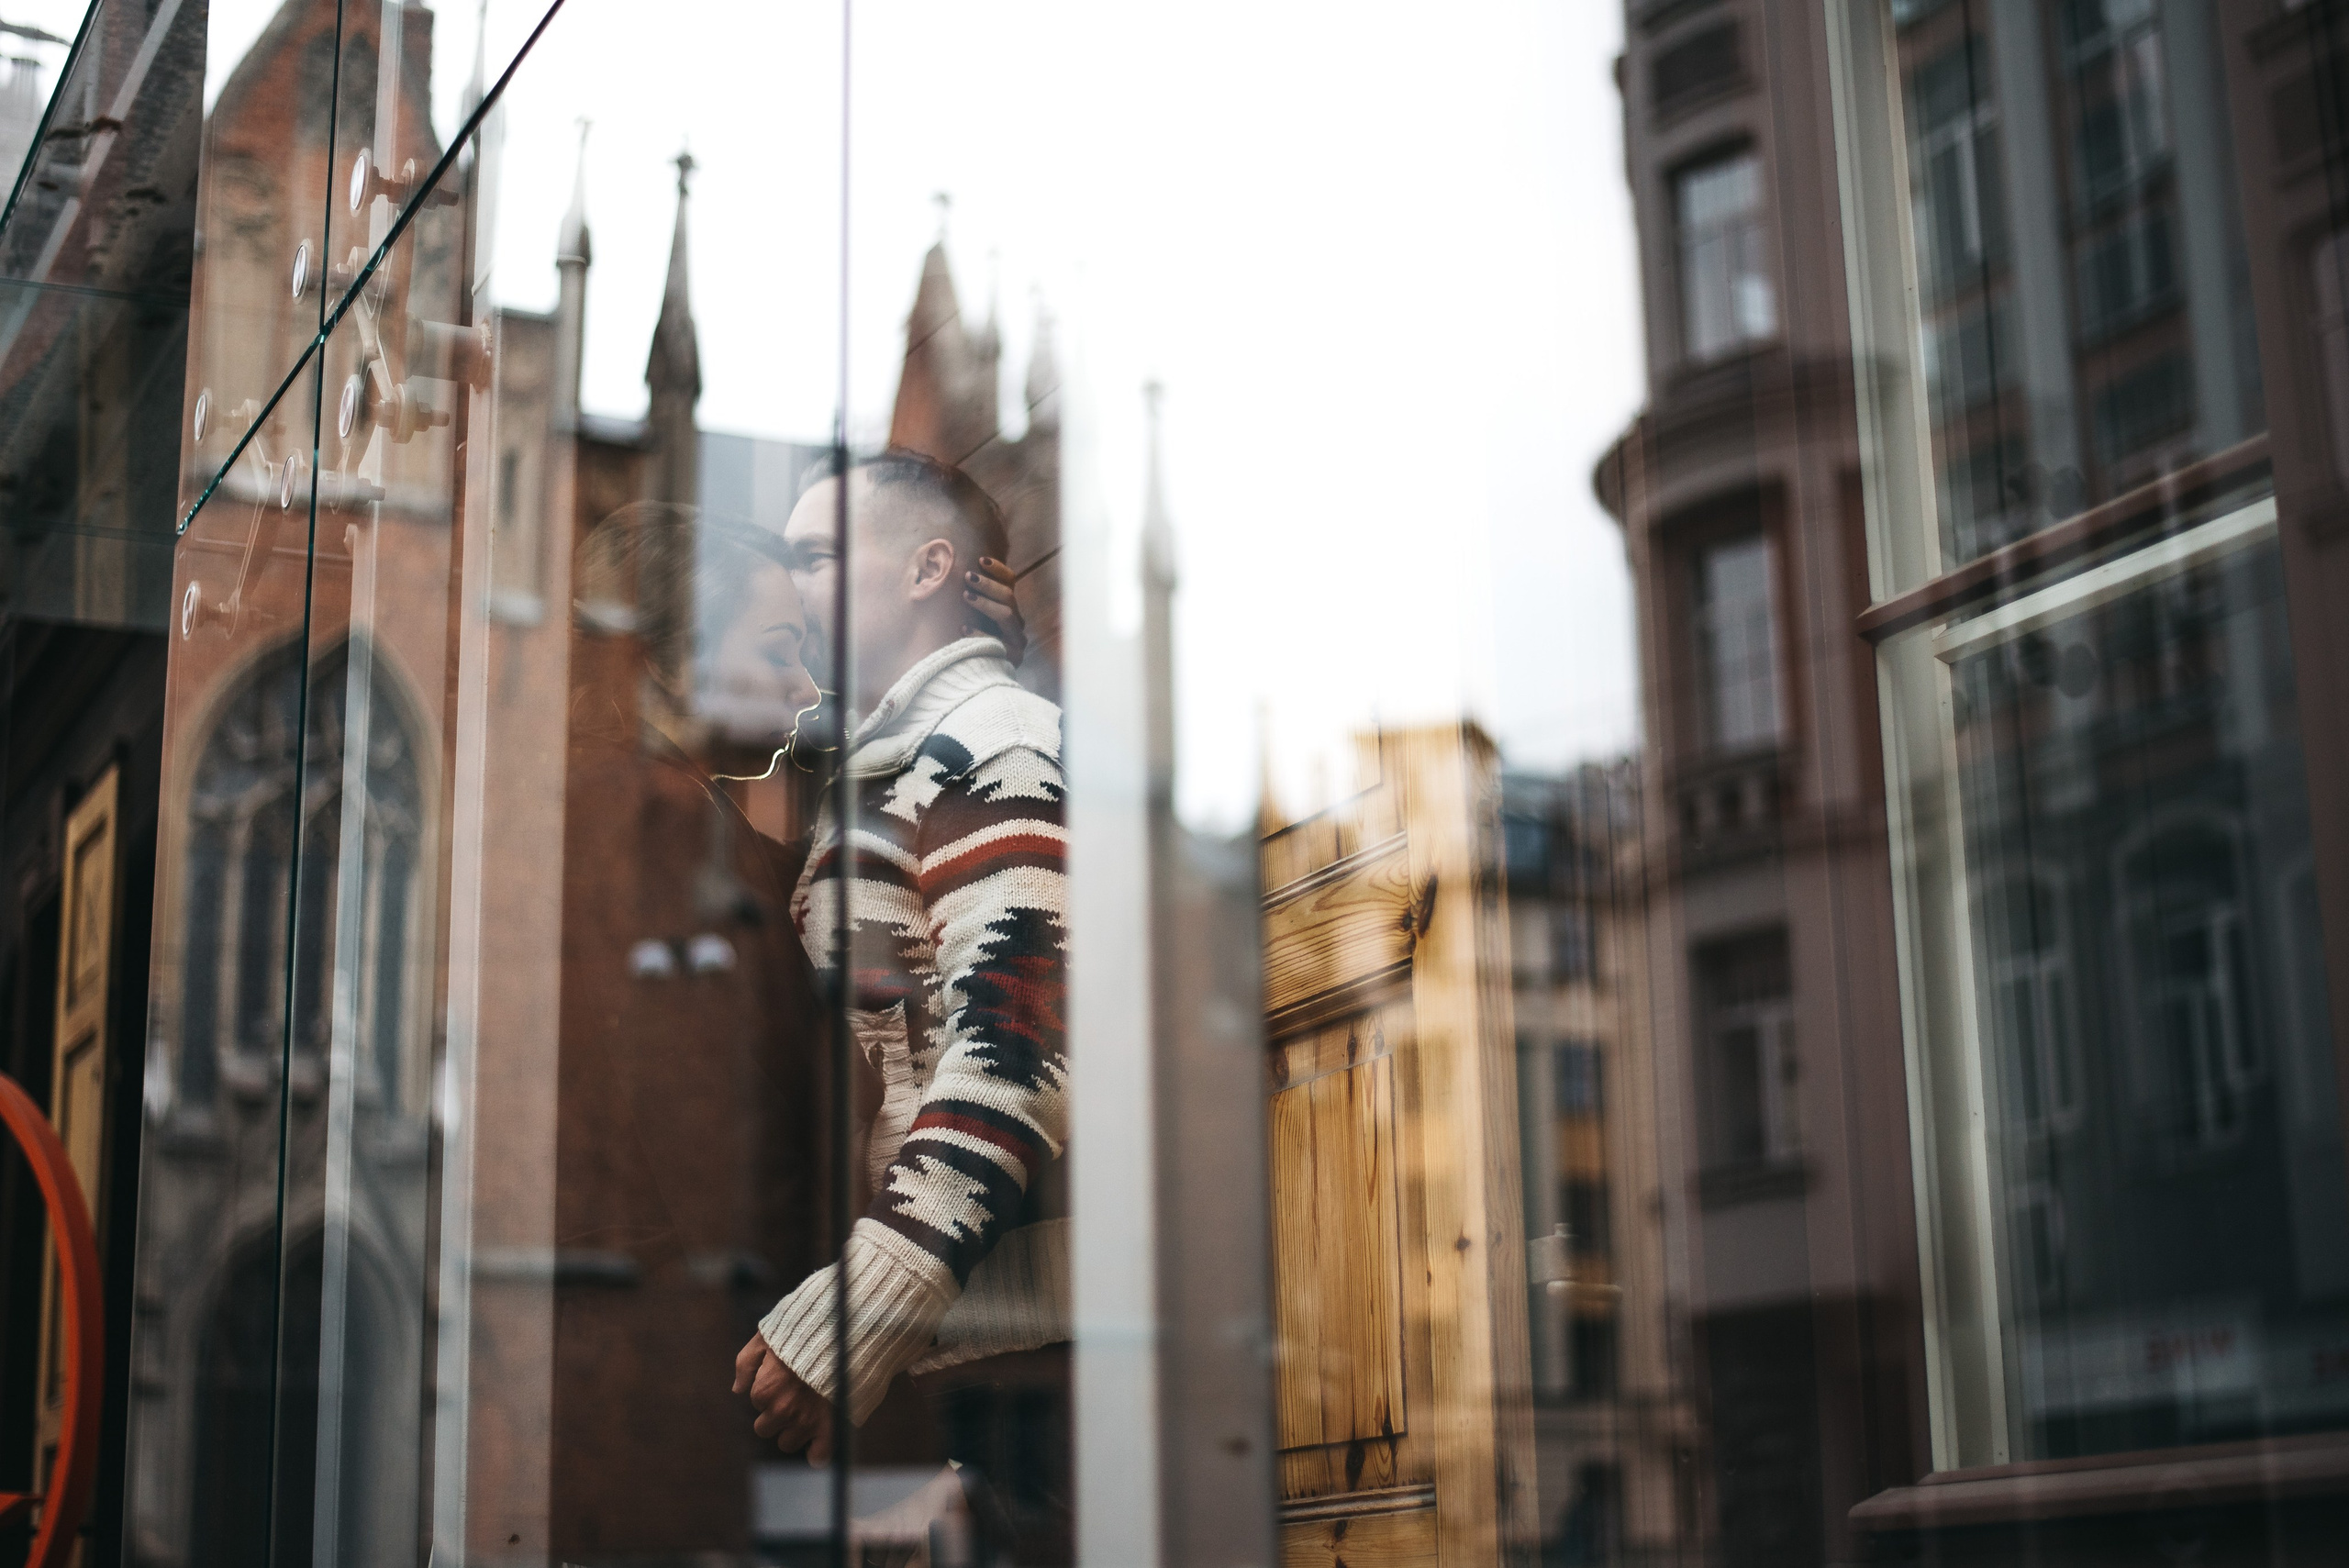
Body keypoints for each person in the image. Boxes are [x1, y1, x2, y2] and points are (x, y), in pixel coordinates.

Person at [729, 451, 1070, 1481]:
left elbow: (1020, 1048)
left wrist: (858, 1310)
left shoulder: (992, 740)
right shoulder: (910, 754)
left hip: (996, 1370)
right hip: (936, 1351)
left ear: (927, 569)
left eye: (818, 555)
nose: (792, 587)